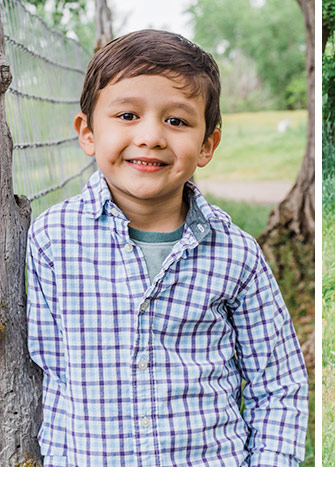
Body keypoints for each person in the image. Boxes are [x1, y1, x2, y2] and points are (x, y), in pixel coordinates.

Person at [25, 30, 309, 466]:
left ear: (207, 145)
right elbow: (48, 372)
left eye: (176, 121)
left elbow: (279, 383)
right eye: (127, 115)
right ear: (87, 132)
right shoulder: (52, 240)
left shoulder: (235, 254)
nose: (152, 136)